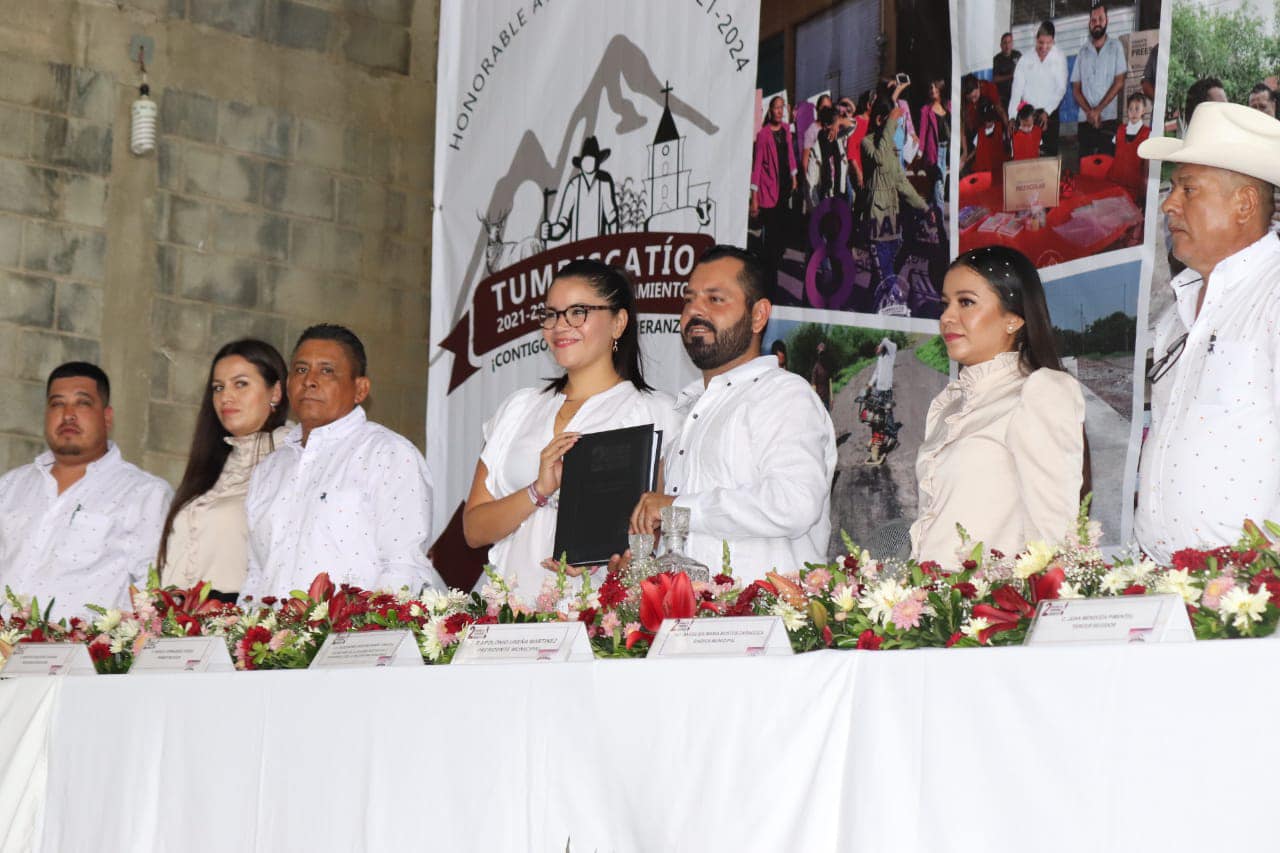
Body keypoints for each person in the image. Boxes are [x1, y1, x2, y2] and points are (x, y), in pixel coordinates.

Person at [462, 260, 679, 600]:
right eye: (551, 314)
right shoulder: (519, 408)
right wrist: (538, 490)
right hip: (510, 605)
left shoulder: (656, 411)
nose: (560, 326)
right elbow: (474, 530)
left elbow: (658, 529)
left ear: (618, 322)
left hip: (599, 608)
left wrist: (604, 554)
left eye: (578, 312)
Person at [629, 246, 836, 581]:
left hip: (767, 611)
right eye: (689, 300)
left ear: (758, 315)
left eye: (715, 299)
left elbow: (793, 502)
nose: (695, 310)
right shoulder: (690, 414)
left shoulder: (782, 394)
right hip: (691, 610)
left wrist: (676, 508)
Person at [1134, 102, 1280, 561]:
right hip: (1169, 581)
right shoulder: (1177, 313)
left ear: (1245, 204)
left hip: (1255, 591)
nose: (1169, 204)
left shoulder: (1273, 296)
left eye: (1188, 188)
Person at [240, 324, 443, 601]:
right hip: (274, 629)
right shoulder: (269, 469)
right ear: (287, 385)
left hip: (353, 628)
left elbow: (403, 567)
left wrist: (366, 627)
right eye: (301, 369)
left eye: (326, 371)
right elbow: (256, 575)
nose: (309, 381)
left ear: (360, 389)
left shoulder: (388, 454)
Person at [910, 247, 1085, 565]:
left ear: (1013, 319)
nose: (947, 317)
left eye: (966, 302)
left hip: (995, 595)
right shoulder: (948, 405)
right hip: (932, 593)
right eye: (945, 304)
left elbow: (1055, 538)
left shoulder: (1040, 391)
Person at [0, 362, 172, 618]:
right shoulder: (10, 487)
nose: (68, 414)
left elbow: (155, 595)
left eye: (82, 403)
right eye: (57, 404)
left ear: (107, 417)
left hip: (84, 644)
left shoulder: (145, 494)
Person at [156, 340, 291, 602]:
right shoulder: (215, 462)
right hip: (181, 617)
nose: (225, 397)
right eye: (218, 388)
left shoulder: (291, 458)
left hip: (244, 617)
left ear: (275, 392)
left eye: (240, 384)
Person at [863, 96, 929, 312]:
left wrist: (924, 207)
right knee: (885, 275)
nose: (896, 127)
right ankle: (881, 312)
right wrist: (891, 123)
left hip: (892, 217)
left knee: (882, 275)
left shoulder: (890, 145)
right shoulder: (867, 143)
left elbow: (901, 181)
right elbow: (880, 158)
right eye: (892, 121)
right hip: (876, 218)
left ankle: (870, 312)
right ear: (880, 120)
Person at [751, 95, 797, 295]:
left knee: (781, 236)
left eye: (781, 108)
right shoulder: (763, 135)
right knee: (771, 237)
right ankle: (769, 281)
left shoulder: (786, 130)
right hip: (769, 190)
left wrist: (794, 175)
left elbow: (790, 155)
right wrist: (754, 196)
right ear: (770, 111)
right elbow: (757, 166)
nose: (779, 111)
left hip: (785, 189)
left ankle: (771, 265)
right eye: (776, 108)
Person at [1071, 2, 1128, 158]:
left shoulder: (1116, 47)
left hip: (1108, 119)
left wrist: (1098, 110)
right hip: (1085, 120)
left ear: (1107, 20)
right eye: (1093, 20)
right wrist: (1090, 113)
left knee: (1107, 165)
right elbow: (1075, 88)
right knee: (1085, 165)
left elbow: (1119, 82)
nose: (1097, 23)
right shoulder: (1082, 52)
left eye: (1100, 19)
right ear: (1089, 24)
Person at [542, 136, 618, 244]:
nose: (589, 163)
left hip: (598, 249)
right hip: (577, 249)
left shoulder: (604, 182)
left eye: (592, 159)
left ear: (597, 161)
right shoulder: (574, 185)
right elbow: (563, 222)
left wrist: (613, 244)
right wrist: (550, 231)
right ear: (581, 163)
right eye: (586, 159)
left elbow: (612, 218)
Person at [1008, 20, 1068, 156]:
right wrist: (1012, 117)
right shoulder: (1025, 59)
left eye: (1048, 43)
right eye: (1041, 43)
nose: (1044, 47)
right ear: (1036, 39)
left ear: (1053, 41)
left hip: (1050, 114)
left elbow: (1061, 89)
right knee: (1028, 155)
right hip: (1029, 115)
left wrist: (1047, 112)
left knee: (1049, 156)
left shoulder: (1059, 57)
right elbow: (1016, 90)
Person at [1108, 92, 1151, 201]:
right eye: (1130, 109)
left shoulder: (1148, 133)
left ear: (1143, 110)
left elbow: (1147, 164)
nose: (1133, 112)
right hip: (1115, 180)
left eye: (1137, 108)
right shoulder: (1120, 130)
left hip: (1134, 185)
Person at [918, 78, 951, 206]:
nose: (933, 90)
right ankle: (939, 216)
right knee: (939, 184)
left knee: (938, 185)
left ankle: (930, 212)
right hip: (935, 151)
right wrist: (920, 151)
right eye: (930, 88)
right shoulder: (926, 110)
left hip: (948, 149)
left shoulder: (948, 105)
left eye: (935, 87)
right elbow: (922, 132)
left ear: (940, 89)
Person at [992, 32, 1022, 112]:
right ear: (1001, 45)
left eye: (1009, 42)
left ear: (1012, 44)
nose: (1007, 45)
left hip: (1018, 95)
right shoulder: (996, 59)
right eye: (1005, 43)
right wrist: (1011, 76)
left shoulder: (1018, 55)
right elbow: (994, 79)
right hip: (1004, 97)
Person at [811, 341, 832, 411]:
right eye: (821, 354)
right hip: (819, 399)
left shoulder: (827, 366)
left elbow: (830, 381)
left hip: (826, 398)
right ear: (818, 354)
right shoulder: (816, 368)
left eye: (823, 354)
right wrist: (816, 400)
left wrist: (831, 398)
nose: (822, 356)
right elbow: (813, 385)